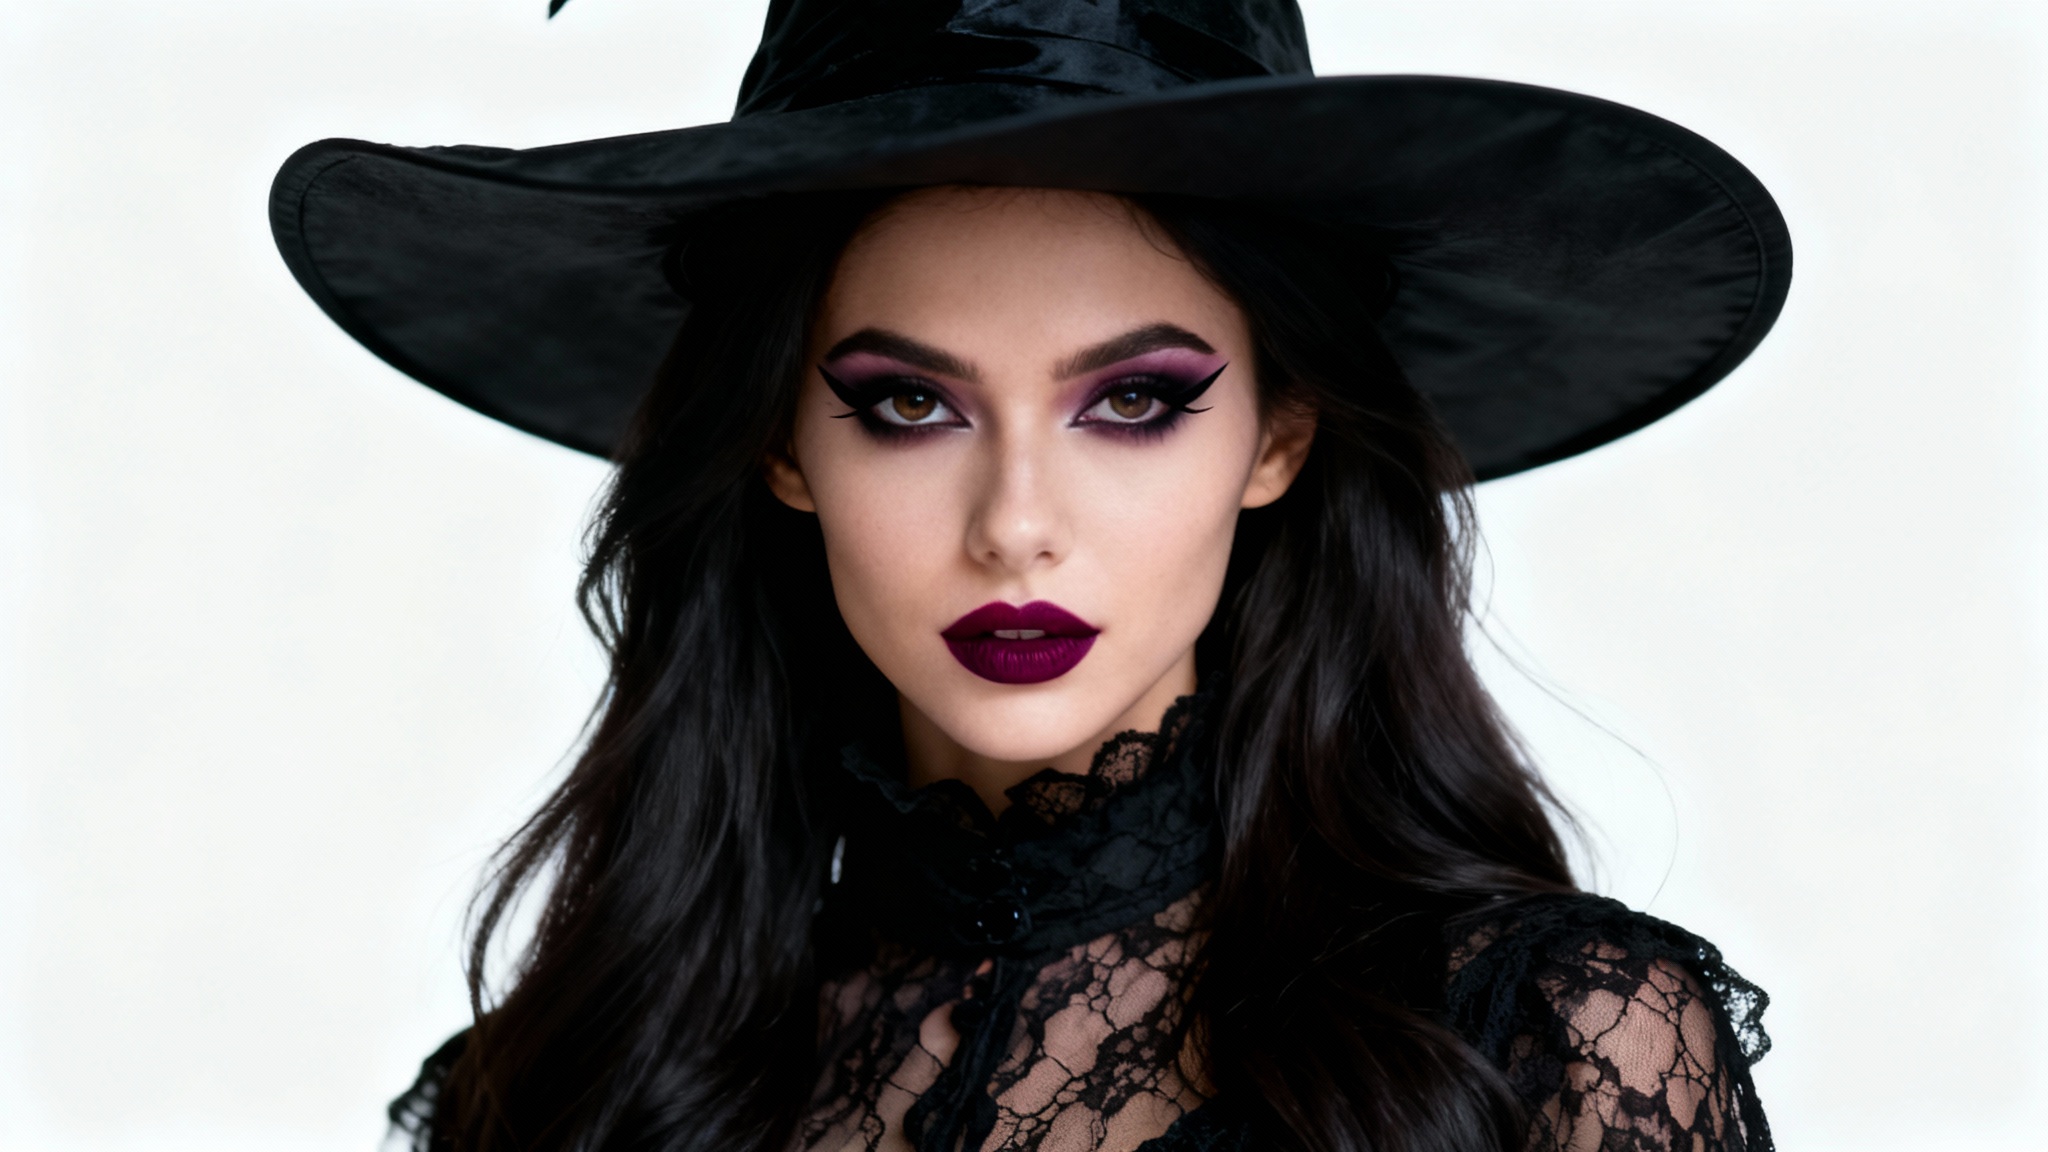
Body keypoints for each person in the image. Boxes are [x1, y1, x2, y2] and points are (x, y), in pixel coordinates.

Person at [270, 3, 1790, 1150]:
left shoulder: (1546, 1048)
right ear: (784, 447)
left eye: (1131, 402)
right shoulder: (562, 1092)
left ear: (1279, 439)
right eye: (907, 404)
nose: (1016, 525)